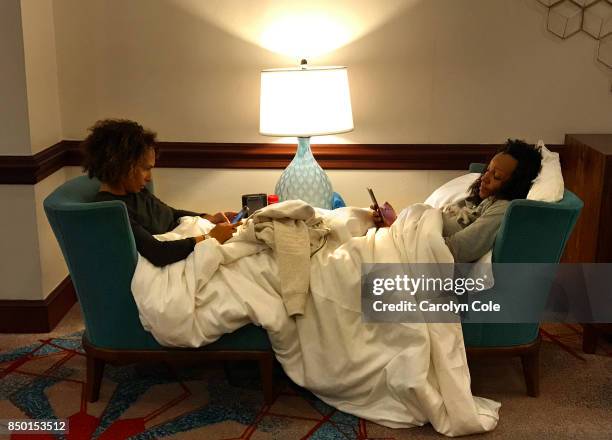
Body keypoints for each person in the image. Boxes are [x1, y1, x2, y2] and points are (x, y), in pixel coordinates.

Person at [82, 119, 240, 267]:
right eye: (146, 168)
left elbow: (170, 214)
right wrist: (211, 238)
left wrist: (209, 218)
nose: (149, 178)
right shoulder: (111, 211)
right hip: (173, 257)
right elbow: (158, 252)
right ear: (122, 165)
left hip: (187, 239)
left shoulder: (135, 191)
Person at [372, 139, 542, 262]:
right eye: (488, 170)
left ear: (514, 184)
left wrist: (406, 240)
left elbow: (460, 249)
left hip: (414, 250)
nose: (485, 178)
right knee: (354, 219)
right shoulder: (476, 201)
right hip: (403, 237)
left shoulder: (501, 208)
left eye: (496, 176)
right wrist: (395, 223)